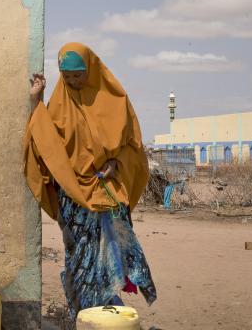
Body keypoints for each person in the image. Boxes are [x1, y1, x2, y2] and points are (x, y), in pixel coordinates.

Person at [24, 42, 156, 318]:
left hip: (107, 190)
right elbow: (46, 144)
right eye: (67, 76)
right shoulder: (59, 105)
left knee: (109, 255)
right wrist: (36, 101)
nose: (72, 81)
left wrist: (116, 163)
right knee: (80, 256)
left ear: (91, 70)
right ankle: (82, 313)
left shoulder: (115, 100)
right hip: (74, 197)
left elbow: (133, 146)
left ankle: (108, 309)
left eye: (78, 75)